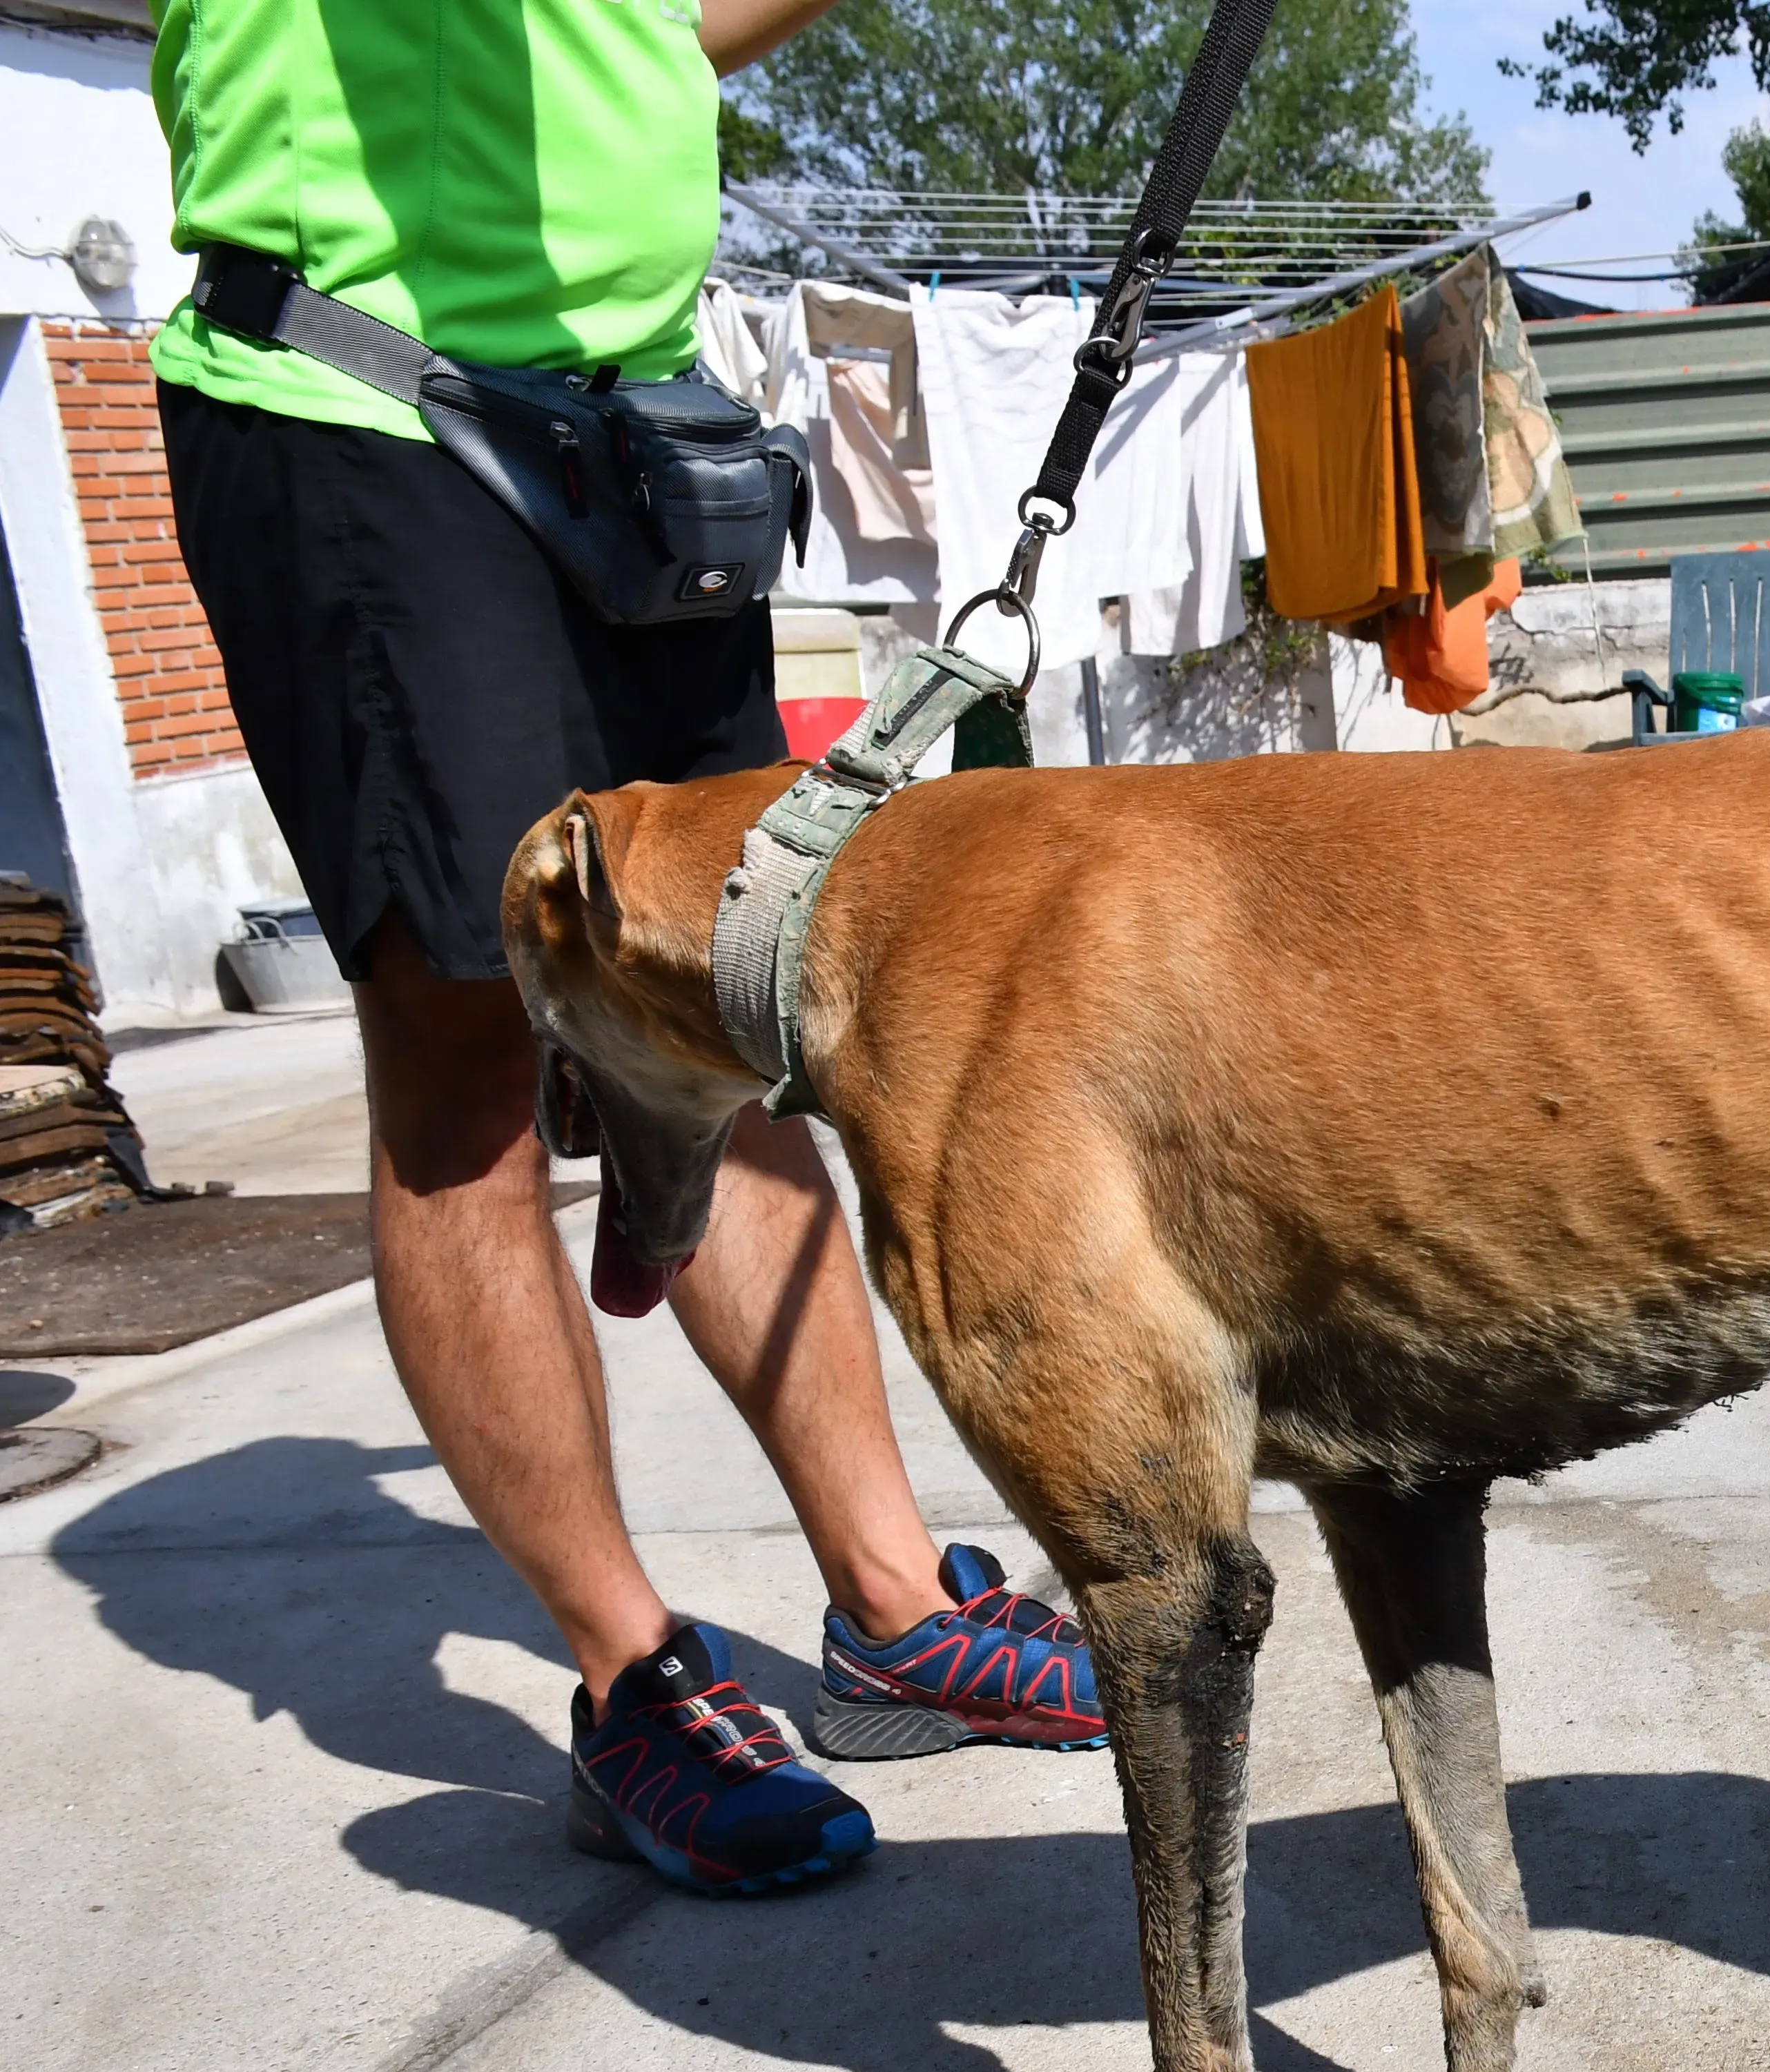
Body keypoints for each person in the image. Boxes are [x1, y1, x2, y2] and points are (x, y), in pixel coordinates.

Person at [150, 0, 1098, 1894]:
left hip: (623, 422)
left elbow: (649, 22)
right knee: (468, 1063)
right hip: (361, 394)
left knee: (721, 1011)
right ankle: (628, 1673)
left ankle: (893, 1604)